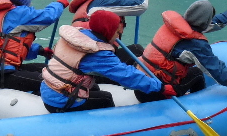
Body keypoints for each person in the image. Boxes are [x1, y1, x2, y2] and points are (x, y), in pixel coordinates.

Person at [40, 10, 171, 113]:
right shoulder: (97, 52)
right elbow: (127, 75)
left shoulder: (79, 34)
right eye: (116, 30)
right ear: (108, 31)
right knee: (105, 98)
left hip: (48, 90)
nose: (119, 33)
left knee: (94, 88)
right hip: (60, 101)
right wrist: (160, 87)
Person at [135, 0, 227, 102]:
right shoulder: (196, 45)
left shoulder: (174, 26)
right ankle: (197, 107)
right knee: (196, 73)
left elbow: (209, 24)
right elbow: (218, 71)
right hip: (156, 93)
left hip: (141, 84)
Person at [0, 0, 68, 94]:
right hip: (0, 73)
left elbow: (12, 47)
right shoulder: (19, 13)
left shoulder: (3, 14)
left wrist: (39, 51)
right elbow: (48, 17)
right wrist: (59, 4)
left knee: (47, 68)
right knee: (53, 80)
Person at [69, 0, 150, 64]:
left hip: (81, 56)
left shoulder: (89, 4)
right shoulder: (104, 2)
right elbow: (141, 5)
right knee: (137, 50)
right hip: (93, 58)